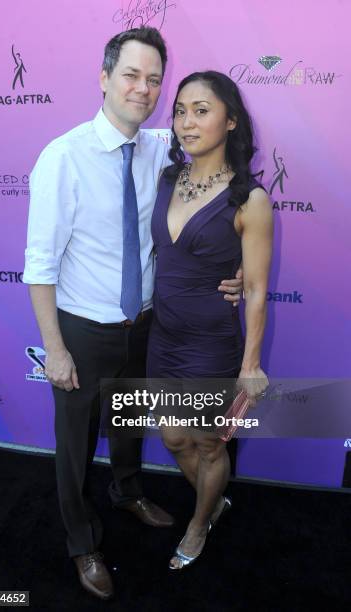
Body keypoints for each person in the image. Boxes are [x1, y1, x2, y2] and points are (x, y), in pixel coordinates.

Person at [22, 28, 243, 600]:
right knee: (74, 445)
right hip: (81, 328)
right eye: (131, 75)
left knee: (127, 423)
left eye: (153, 79)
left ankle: (127, 491)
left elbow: (205, 220)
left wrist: (238, 273)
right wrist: (56, 347)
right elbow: (40, 262)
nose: (143, 89)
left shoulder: (164, 153)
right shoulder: (62, 157)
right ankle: (81, 542)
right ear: (104, 77)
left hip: (147, 324)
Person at [147, 71, 273, 569]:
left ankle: (199, 523)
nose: (186, 121)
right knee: (174, 437)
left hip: (212, 347)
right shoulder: (166, 178)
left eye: (201, 110)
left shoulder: (251, 200)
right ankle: (213, 500)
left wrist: (251, 365)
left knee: (209, 445)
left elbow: (259, 289)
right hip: (164, 338)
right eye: (180, 110)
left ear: (231, 120)